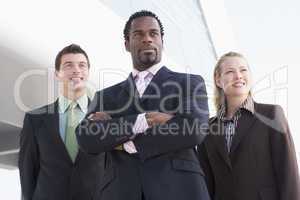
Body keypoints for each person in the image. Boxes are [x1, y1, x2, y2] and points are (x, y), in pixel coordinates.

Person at [76, 10, 210, 200]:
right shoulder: (105, 97)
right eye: (138, 34)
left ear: (162, 41)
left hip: (180, 190)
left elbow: (193, 129)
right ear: (126, 44)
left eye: (153, 33)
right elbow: (86, 138)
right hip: (121, 192)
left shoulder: (189, 83)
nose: (147, 39)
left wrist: (126, 141)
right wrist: (145, 120)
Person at [198, 51, 300, 200]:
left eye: (243, 70)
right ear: (218, 81)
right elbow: (206, 183)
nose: (238, 76)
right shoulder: (206, 128)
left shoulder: (271, 114)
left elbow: (288, 171)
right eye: (230, 71)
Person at [19, 44, 103, 200]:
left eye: (82, 65)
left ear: (88, 73)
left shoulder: (106, 118)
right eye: (68, 65)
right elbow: (27, 171)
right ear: (57, 74)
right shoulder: (35, 119)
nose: (76, 70)